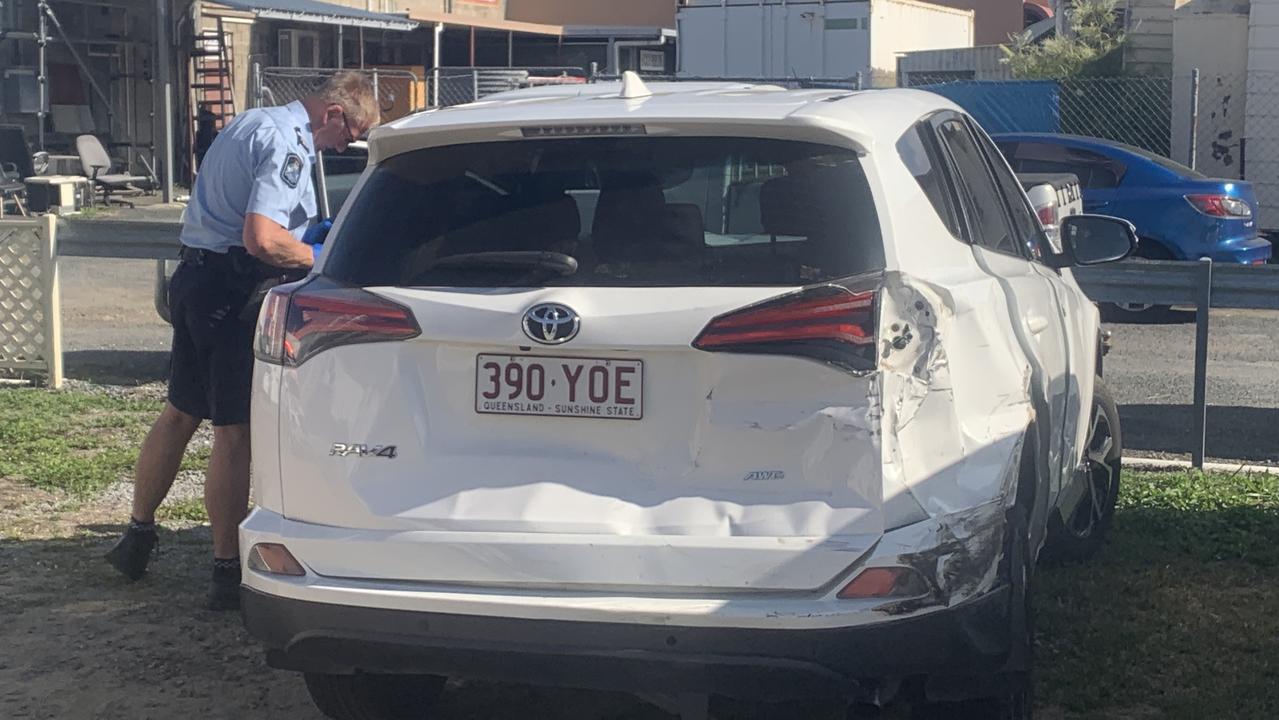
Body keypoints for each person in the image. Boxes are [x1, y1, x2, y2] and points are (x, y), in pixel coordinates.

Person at [104, 72, 377, 610]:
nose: (344, 146)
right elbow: (263, 237)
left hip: (195, 279)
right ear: (334, 114)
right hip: (233, 291)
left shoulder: (253, 121)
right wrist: (327, 260)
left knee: (179, 412)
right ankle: (227, 573)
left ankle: (137, 535)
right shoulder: (288, 144)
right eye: (350, 135)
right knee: (233, 431)